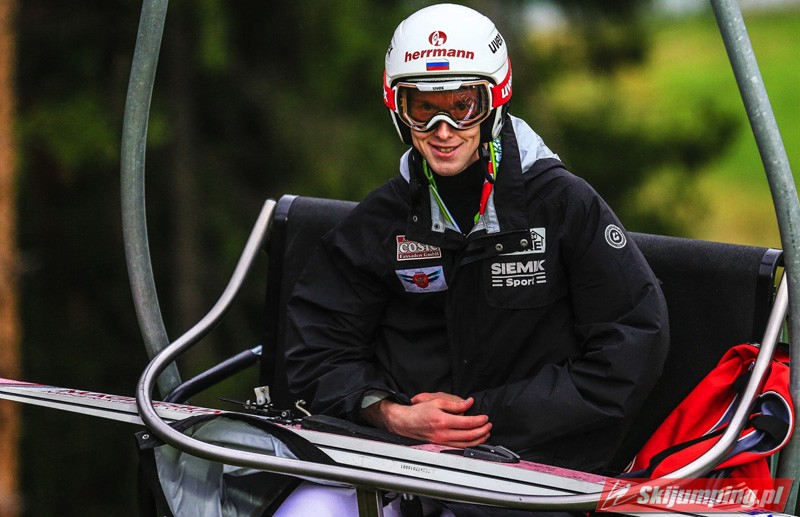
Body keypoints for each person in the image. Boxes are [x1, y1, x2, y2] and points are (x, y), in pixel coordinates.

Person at [278, 3, 670, 515]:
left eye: (463, 106)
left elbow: (631, 344)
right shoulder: (383, 219)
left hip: (529, 472)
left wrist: (481, 418)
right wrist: (390, 413)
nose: (443, 130)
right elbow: (320, 347)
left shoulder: (562, 206)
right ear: (397, 107)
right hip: (397, 462)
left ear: (496, 100)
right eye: (423, 108)